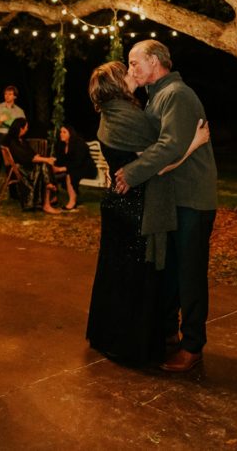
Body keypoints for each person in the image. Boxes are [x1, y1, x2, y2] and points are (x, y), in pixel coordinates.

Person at [86, 61, 209, 365]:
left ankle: (111, 336)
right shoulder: (129, 117)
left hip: (119, 204)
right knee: (137, 279)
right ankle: (131, 344)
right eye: (126, 72)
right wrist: (194, 143)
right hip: (134, 206)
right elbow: (159, 161)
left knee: (117, 276)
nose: (132, 73)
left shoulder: (111, 113)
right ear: (117, 85)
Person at [115, 40, 218, 373]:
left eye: (134, 63)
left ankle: (192, 347)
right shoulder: (156, 95)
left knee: (189, 273)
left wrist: (131, 173)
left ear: (155, 60)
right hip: (173, 198)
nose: (130, 69)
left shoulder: (176, 95)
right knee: (171, 270)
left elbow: (169, 147)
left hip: (192, 198)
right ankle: (171, 337)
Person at [1, 118, 61, 214]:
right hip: (19, 169)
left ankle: (49, 189)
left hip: (27, 166)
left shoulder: (21, 140)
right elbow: (25, 158)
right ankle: (48, 196)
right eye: (26, 127)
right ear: (21, 128)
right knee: (45, 165)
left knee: (44, 165)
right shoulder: (12, 141)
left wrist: (43, 158)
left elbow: (32, 154)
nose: (27, 129)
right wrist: (46, 159)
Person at [0, 85, 26, 200]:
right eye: (5, 94)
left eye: (9, 94)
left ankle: (13, 193)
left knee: (11, 165)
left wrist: (10, 123)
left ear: (14, 96)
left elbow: (22, 127)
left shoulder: (19, 111)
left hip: (12, 139)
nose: (7, 96)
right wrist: (0, 120)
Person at [53, 125, 96, 210]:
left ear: (70, 133)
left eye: (64, 132)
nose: (61, 134)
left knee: (70, 174)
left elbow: (78, 162)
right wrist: (53, 163)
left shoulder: (79, 144)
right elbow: (60, 160)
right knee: (51, 171)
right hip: (74, 167)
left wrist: (61, 169)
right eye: (61, 132)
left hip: (86, 168)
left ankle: (72, 202)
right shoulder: (62, 145)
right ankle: (52, 198)